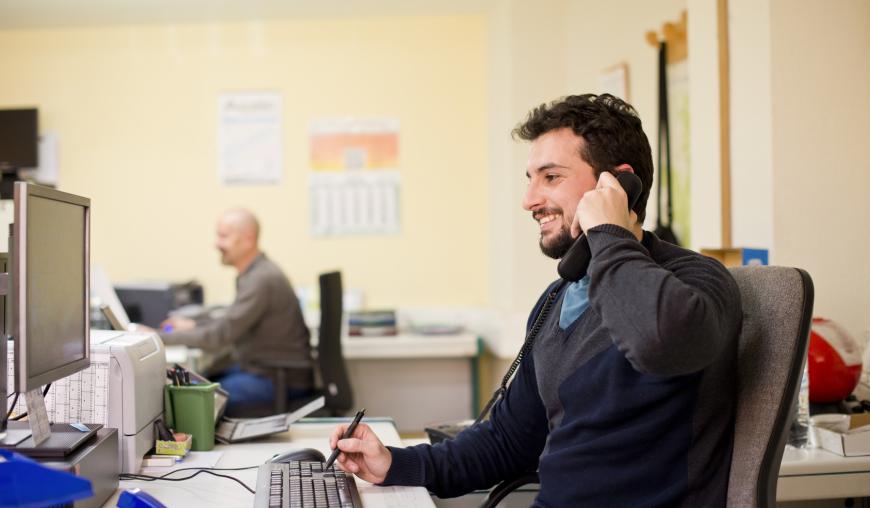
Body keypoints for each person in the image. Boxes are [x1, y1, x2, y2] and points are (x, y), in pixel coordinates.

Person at [327, 94, 743, 506]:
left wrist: (608, 237)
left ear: (616, 185)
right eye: (530, 179)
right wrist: (393, 464)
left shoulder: (697, 281)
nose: (529, 199)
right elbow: (508, 441)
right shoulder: (560, 297)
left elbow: (659, 343)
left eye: (551, 177)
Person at [158, 208, 312, 414]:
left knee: (192, 402)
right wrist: (195, 324)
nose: (216, 243)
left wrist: (156, 338)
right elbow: (231, 318)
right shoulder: (256, 273)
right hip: (266, 371)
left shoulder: (261, 280)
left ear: (248, 239)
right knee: (199, 382)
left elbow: (219, 336)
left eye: (224, 236)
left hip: (277, 379)